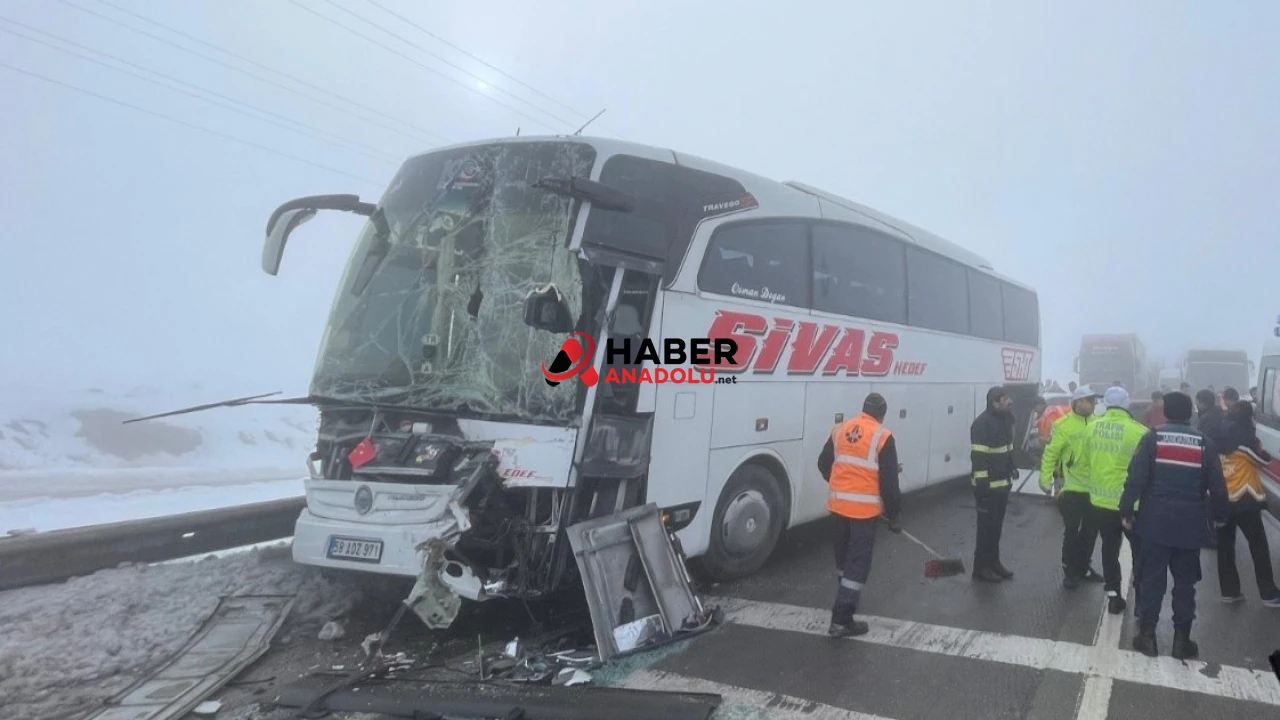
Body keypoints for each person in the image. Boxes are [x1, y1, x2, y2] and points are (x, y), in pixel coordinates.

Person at [1123, 391, 1230, 659]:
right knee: (1185, 584)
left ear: (1167, 412)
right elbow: (1218, 486)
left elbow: (1135, 478)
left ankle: (1147, 637)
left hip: (1155, 523)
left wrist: (1126, 510)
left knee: (1152, 580)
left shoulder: (1153, 438)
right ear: (1190, 412)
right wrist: (1220, 516)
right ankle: (1181, 641)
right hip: (1190, 526)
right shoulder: (1204, 443)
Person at [817, 392, 903, 637]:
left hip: (838, 507)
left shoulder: (841, 429)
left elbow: (823, 463)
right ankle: (841, 619)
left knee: (843, 561)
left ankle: (845, 600)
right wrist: (894, 516)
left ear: (864, 409)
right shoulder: (883, 436)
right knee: (857, 564)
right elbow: (889, 483)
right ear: (882, 414)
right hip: (863, 513)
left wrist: (840, 485)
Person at [1086, 386, 1149, 615]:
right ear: (1126, 403)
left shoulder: (1092, 427)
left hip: (1100, 501)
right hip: (1131, 504)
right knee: (1140, 551)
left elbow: (1087, 460)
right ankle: (1142, 598)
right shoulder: (1140, 431)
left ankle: (1113, 595)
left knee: (1109, 549)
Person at [1216, 400, 1280, 607]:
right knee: (1258, 547)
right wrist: (1262, 449)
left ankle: (1229, 592)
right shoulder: (1246, 441)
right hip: (1245, 499)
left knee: (1225, 547)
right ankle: (1268, 594)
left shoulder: (1218, 437)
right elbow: (1264, 461)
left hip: (1222, 500)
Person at [1040, 385, 1105, 587]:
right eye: (1090, 400)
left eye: (1095, 400)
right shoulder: (1063, 425)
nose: (1094, 404)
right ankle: (1070, 571)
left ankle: (1083, 567)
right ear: (1078, 402)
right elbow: (1051, 453)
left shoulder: (1099, 423)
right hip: (1072, 489)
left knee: (1090, 532)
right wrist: (1045, 479)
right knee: (1072, 531)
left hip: (1094, 490)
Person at [970, 386, 1018, 583]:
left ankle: (994, 562)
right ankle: (980, 568)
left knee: (996, 528)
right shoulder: (982, 424)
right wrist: (982, 484)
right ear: (995, 402)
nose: (1010, 402)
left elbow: (1008, 448)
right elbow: (978, 456)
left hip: (1002, 484)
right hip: (987, 487)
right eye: (1005, 399)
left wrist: (1012, 466)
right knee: (986, 530)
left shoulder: (1005, 420)